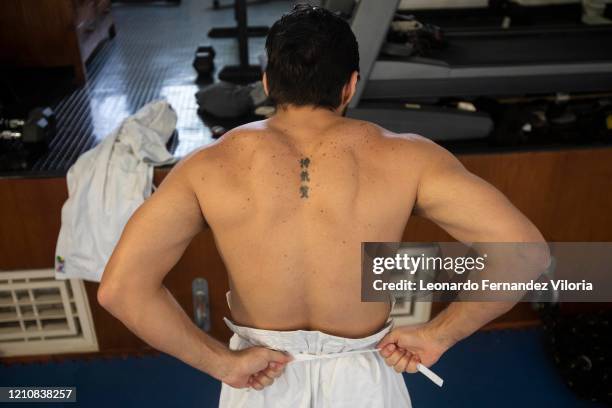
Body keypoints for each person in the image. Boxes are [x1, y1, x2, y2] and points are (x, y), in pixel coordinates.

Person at [98, 5, 547, 407]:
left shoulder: (206, 166)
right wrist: (437, 335)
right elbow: (526, 254)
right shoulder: (411, 158)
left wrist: (220, 364)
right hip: (364, 380)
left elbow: (120, 290)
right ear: (351, 85)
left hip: (260, 378)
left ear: (268, 82)